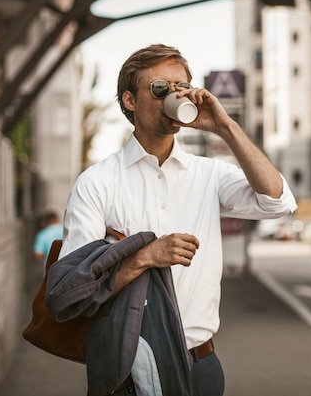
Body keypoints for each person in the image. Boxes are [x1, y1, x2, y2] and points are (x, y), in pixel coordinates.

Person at [57, 44, 297, 396]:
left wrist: (225, 126)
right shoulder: (98, 182)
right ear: (130, 100)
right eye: (160, 89)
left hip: (202, 364)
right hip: (131, 368)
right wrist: (144, 256)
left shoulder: (208, 174)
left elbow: (277, 202)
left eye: (180, 87)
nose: (173, 95)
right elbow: (72, 291)